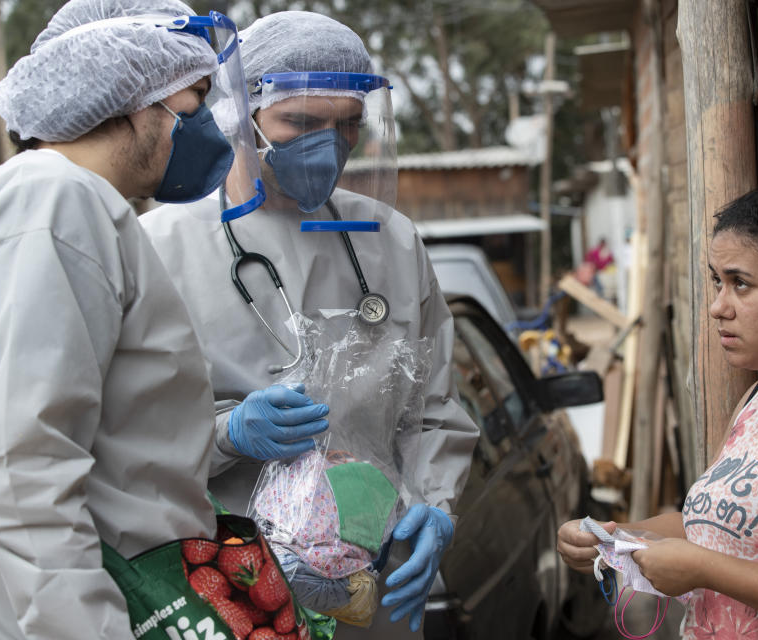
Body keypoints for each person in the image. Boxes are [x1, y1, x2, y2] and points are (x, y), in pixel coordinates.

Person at [140, 11, 479, 638]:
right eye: (300, 123)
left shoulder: (392, 241)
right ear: (240, 111)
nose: (328, 145)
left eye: (348, 125)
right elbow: (125, 433)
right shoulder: (160, 246)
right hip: (220, 587)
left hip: (363, 580)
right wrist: (226, 437)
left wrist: (435, 502)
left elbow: (434, 409)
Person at [0, 0, 265, 638]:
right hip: (97, 606)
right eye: (195, 97)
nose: (210, 125)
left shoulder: (73, 207)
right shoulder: (55, 201)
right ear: (137, 97)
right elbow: (24, 465)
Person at [557, 168, 758, 638]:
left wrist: (706, 570)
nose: (719, 305)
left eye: (740, 284)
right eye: (717, 282)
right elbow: (709, 526)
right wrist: (615, 533)